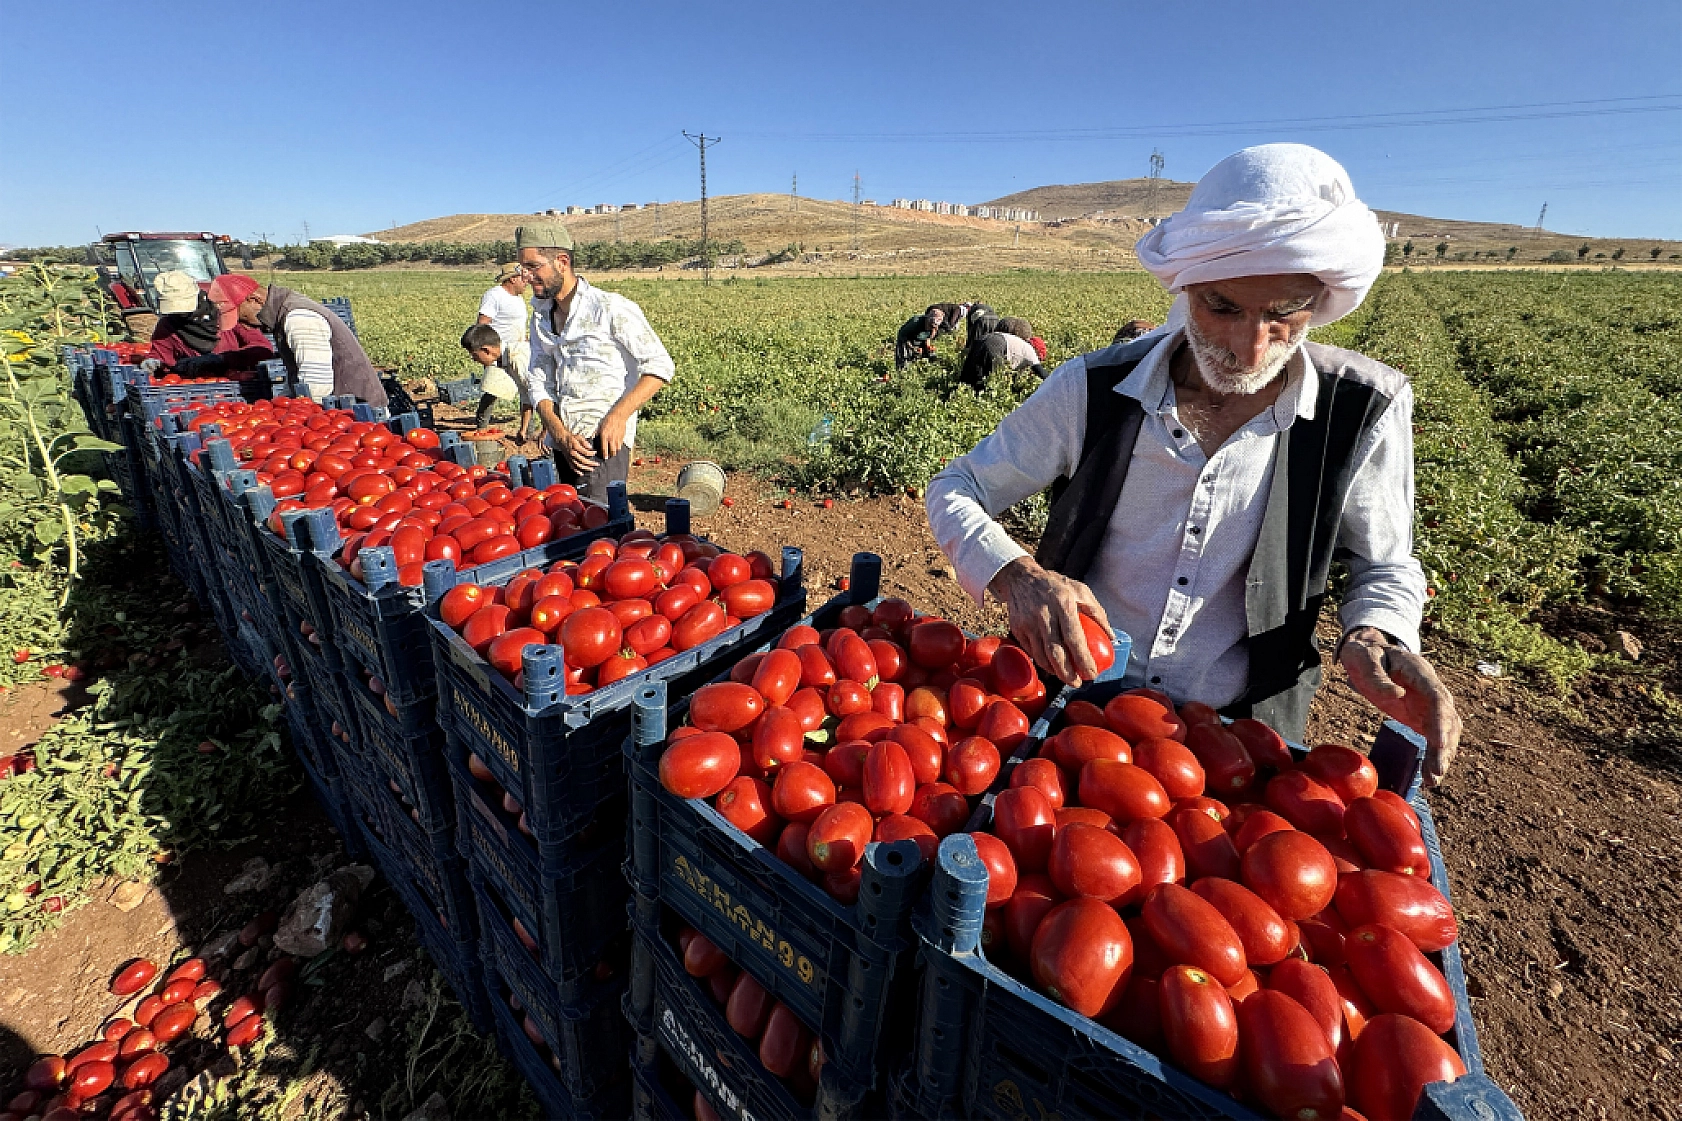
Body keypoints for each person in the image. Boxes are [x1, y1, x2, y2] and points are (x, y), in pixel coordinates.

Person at [926, 143, 1462, 786]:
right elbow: (958, 485)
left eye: (1284, 313)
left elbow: (1384, 561)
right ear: (1184, 289)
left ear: (1319, 300)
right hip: (1068, 699)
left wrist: (1378, 634)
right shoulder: (1094, 389)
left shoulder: (1364, 408)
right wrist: (1016, 576)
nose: (1249, 345)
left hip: (1234, 739)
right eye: (1223, 307)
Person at [514, 223, 674, 502]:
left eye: (533, 267)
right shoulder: (540, 317)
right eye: (523, 268)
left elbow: (659, 366)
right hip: (564, 442)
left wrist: (618, 417)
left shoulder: (610, 308)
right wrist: (558, 432)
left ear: (562, 262)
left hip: (603, 441)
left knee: (599, 527)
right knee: (571, 519)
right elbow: (539, 380)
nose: (526, 276)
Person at [211, 275, 388, 407]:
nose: (243, 325)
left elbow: (316, 387)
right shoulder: (284, 313)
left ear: (254, 300)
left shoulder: (299, 318)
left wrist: (286, 415)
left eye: (241, 317)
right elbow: (300, 379)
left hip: (360, 412)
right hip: (342, 408)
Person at [145, 270, 274, 395]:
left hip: (239, 385)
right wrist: (153, 362)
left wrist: (223, 359)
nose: (182, 314)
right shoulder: (168, 326)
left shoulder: (227, 313)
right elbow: (162, 356)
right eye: (176, 311)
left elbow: (262, 348)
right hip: (198, 390)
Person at [460, 323, 534, 441]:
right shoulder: (507, 361)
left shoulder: (517, 359)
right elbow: (526, 395)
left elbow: (545, 394)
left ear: (486, 350)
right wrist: (523, 429)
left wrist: (548, 430)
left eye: (475, 355)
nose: (474, 360)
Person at [477, 262, 531, 388]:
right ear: (512, 279)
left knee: (524, 389)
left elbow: (518, 326)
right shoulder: (495, 295)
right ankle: (483, 409)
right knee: (493, 391)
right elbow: (482, 324)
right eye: (523, 279)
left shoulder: (518, 299)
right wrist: (486, 351)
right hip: (499, 353)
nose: (526, 282)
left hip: (517, 353)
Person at [958, 316, 1047, 387]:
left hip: (982, 339)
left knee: (967, 378)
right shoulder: (1030, 351)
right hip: (997, 345)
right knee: (992, 382)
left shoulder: (1018, 345)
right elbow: (1043, 375)